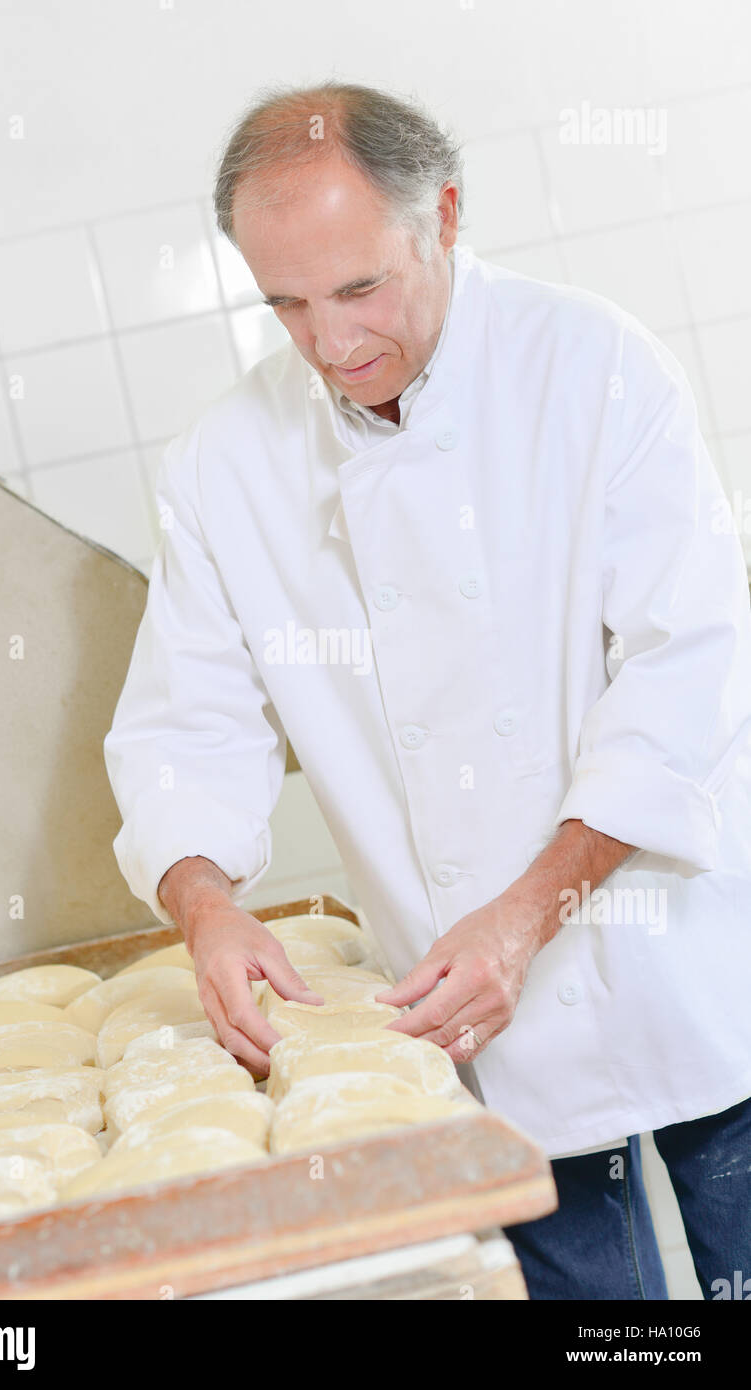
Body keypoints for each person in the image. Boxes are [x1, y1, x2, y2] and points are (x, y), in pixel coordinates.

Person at [104, 81, 751, 1299]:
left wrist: (530, 913)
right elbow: (186, 723)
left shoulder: (596, 367)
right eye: (286, 305)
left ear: (443, 215)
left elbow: (691, 667)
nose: (332, 343)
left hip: (687, 969)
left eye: (360, 290)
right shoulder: (226, 464)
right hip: (476, 1034)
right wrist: (206, 907)